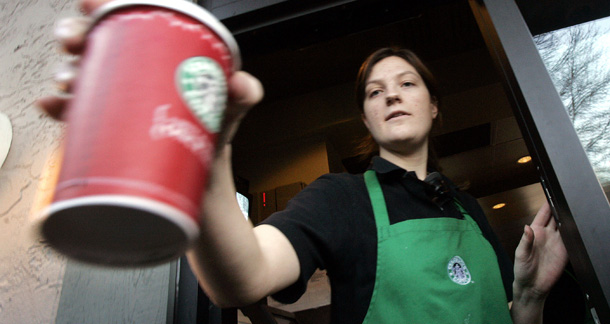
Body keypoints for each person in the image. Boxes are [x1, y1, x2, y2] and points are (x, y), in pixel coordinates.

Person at [38, 1, 568, 323]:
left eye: (408, 84)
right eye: (375, 91)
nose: (392, 95)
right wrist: (204, 153)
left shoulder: (470, 210)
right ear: (366, 120)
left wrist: (528, 297)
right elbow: (243, 277)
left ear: (433, 106)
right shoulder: (341, 198)